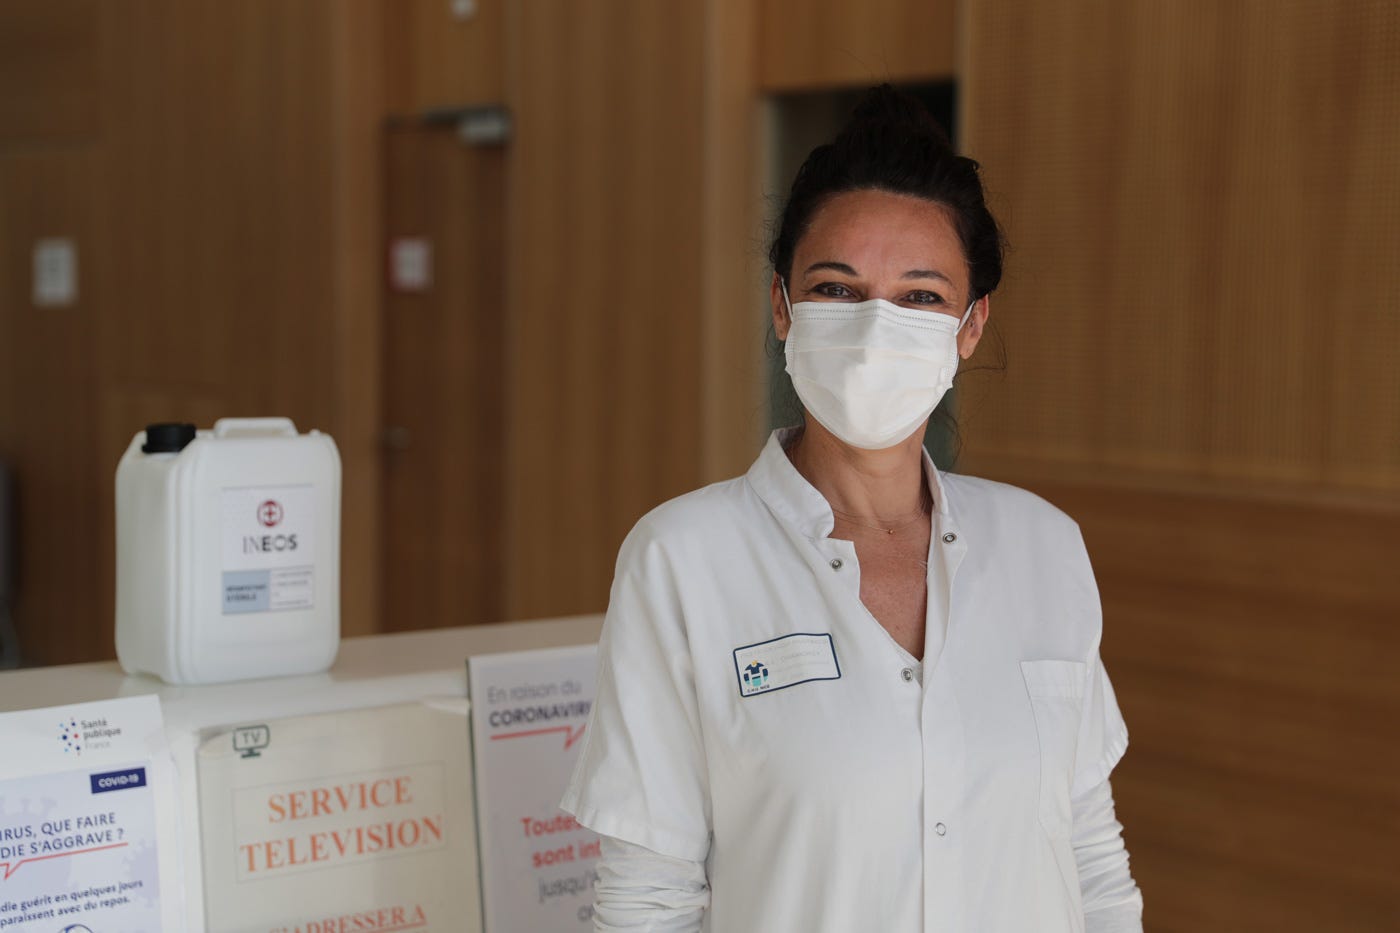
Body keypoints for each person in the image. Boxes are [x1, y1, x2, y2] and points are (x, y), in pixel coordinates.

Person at [560, 84, 1144, 932]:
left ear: (971, 325)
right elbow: (649, 899)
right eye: (837, 289)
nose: (876, 331)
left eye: (920, 297)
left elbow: (1089, 852)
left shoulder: (1043, 546)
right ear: (781, 304)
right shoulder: (684, 558)